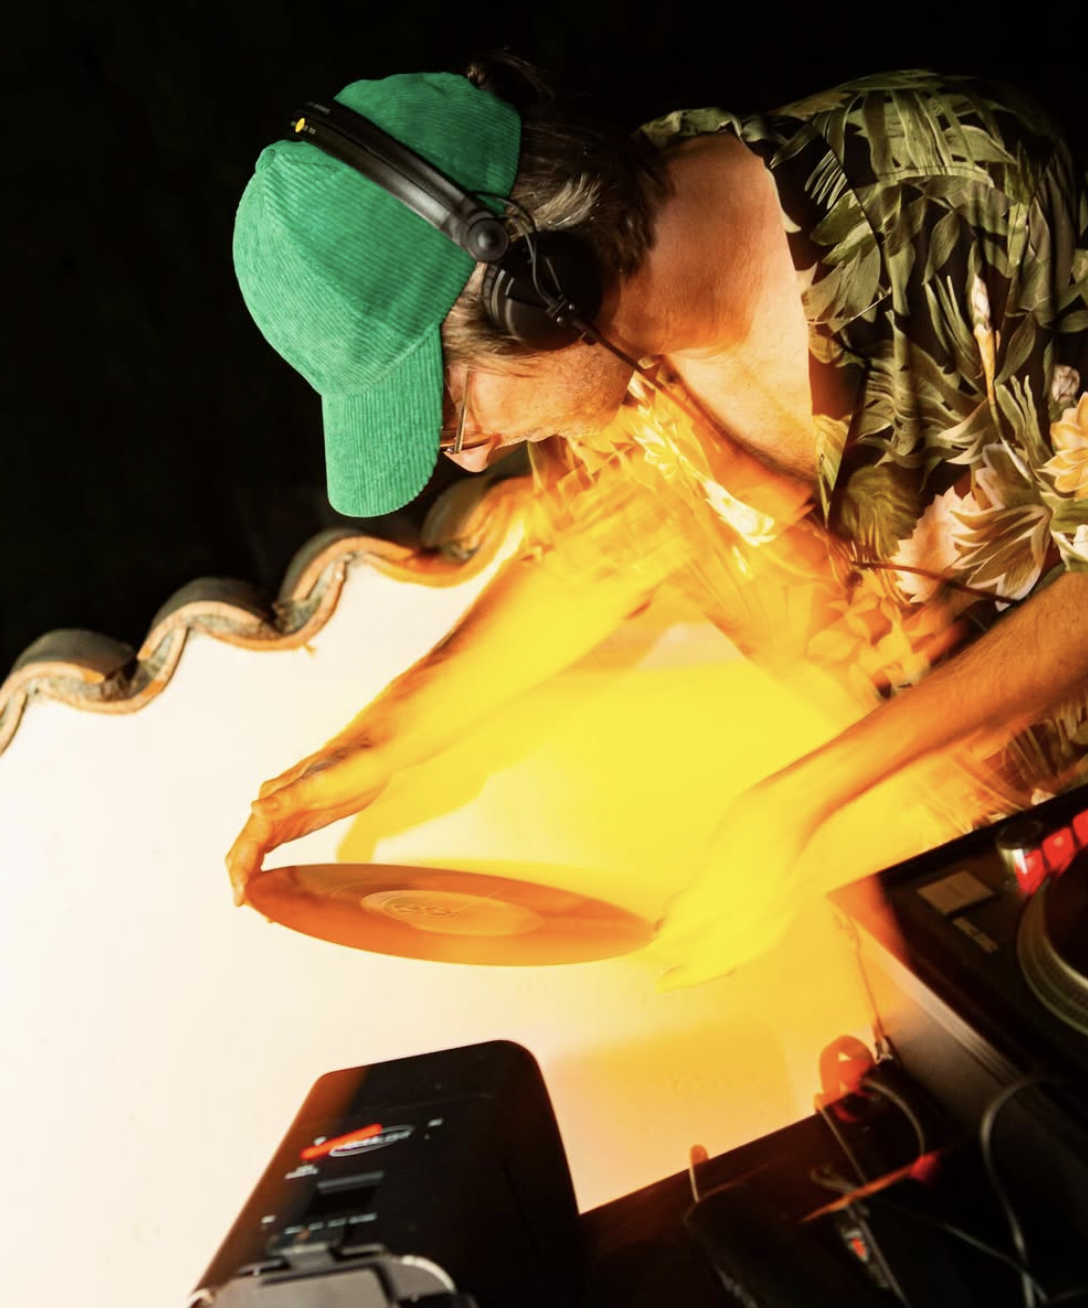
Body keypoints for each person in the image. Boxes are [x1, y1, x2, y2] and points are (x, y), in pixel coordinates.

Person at [227, 57, 1088, 986]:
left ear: (537, 284)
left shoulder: (959, 189)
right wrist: (372, 747)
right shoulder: (607, 370)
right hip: (996, 889)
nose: (472, 456)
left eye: (449, 408)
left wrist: (792, 806)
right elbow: (589, 558)